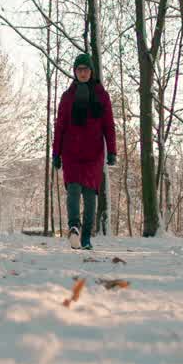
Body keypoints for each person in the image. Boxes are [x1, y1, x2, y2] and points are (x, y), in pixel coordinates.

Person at [52, 54, 116, 249]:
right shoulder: (67, 96)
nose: (82, 73)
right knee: (73, 189)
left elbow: (109, 125)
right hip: (71, 151)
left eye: (85, 69)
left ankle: (86, 236)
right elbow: (60, 125)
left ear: (91, 71)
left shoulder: (101, 95)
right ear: (74, 72)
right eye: (79, 69)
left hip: (93, 153)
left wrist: (112, 150)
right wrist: (56, 153)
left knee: (90, 196)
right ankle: (74, 228)